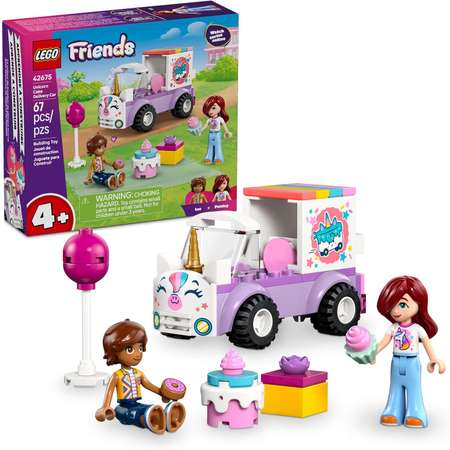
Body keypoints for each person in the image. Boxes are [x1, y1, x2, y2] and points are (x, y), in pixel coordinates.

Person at [376, 276, 445, 428]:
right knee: (395, 387)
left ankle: (416, 412)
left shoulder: (417, 329)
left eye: (402, 304)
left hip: (412, 363)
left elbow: (427, 343)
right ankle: (393, 410)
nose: (395, 311)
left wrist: (434, 359)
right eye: (392, 305)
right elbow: (384, 342)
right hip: (396, 362)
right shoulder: (394, 328)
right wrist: (373, 352)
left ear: (418, 303)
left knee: (414, 388)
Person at [95, 319, 186, 434]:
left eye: (140, 348)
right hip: (124, 406)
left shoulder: (139, 373)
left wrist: (162, 393)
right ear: (115, 352)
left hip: (137, 403)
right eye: (130, 349)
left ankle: (167, 417)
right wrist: (105, 407)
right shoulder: (117, 375)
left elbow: (148, 385)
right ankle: (149, 421)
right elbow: (109, 391)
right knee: (131, 413)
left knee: (149, 408)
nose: (138, 354)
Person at [201, 96, 232, 164]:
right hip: (211, 134)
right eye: (208, 109)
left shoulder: (220, 119)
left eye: (213, 108)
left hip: (217, 134)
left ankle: (218, 158)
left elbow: (224, 126)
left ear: (220, 107)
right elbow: (205, 126)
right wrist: (201, 130)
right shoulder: (209, 120)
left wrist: (227, 132)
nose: (210, 111)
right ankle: (209, 158)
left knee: (217, 146)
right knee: (210, 146)